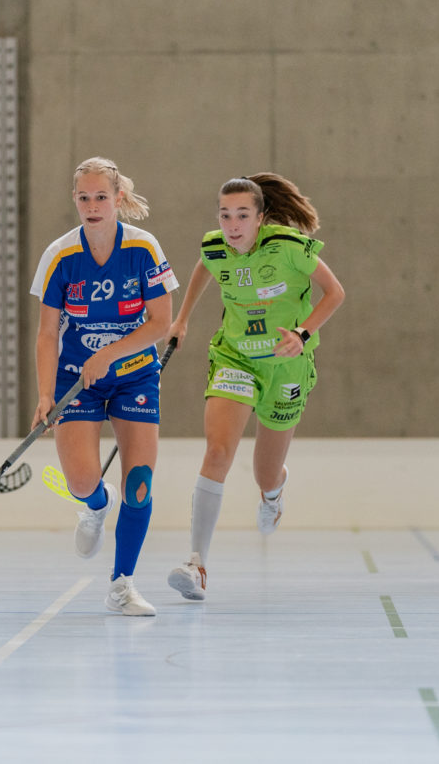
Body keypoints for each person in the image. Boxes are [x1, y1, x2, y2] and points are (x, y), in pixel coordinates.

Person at [165, 174, 346, 601]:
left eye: (242, 215)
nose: (232, 224)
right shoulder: (215, 247)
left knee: (265, 473)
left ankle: (274, 493)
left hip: (286, 367)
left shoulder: (288, 247)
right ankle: (197, 564)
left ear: (261, 218)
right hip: (236, 357)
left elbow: (334, 292)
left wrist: (302, 333)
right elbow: (203, 269)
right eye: (225, 215)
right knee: (218, 451)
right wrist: (183, 318)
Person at [31, 157, 178, 616]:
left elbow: (161, 323)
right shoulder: (60, 256)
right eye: (83, 198)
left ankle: (122, 586)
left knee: (139, 484)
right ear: (74, 200)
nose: (92, 206)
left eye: (100, 197)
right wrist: (44, 395)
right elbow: (47, 334)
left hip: (134, 374)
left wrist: (109, 354)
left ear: (117, 198)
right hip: (79, 380)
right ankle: (96, 506)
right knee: (80, 481)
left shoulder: (143, 248)